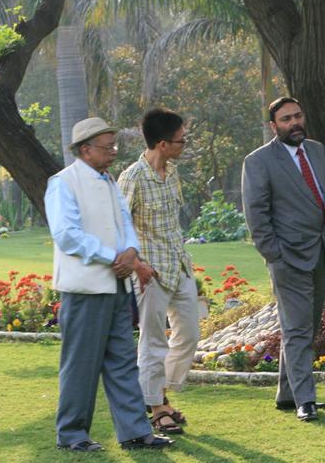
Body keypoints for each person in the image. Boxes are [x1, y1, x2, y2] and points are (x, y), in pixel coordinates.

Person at [45, 117, 173, 451]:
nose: (114, 152)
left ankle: (134, 432)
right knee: (81, 366)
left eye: (114, 145)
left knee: (122, 361)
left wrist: (130, 252)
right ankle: (72, 434)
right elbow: (66, 235)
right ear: (85, 150)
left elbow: (125, 223)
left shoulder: (109, 181)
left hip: (118, 285)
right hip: (85, 288)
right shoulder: (63, 182)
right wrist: (113, 257)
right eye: (107, 147)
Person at [242, 97, 325, 421]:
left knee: (305, 328)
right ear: (274, 126)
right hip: (288, 259)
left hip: (322, 251)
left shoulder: (317, 150)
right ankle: (305, 400)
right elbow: (256, 216)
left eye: (298, 116)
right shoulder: (258, 161)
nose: (295, 123)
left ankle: (288, 394)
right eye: (286, 119)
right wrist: (275, 256)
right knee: (298, 328)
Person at [117, 109, 198, 436]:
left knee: (189, 334)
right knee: (152, 343)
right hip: (148, 273)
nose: (184, 144)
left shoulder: (173, 173)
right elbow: (119, 229)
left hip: (179, 267)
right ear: (162, 143)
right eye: (181, 140)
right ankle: (157, 407)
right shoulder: (133, 178)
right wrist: (137, 266)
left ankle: (155, 392)